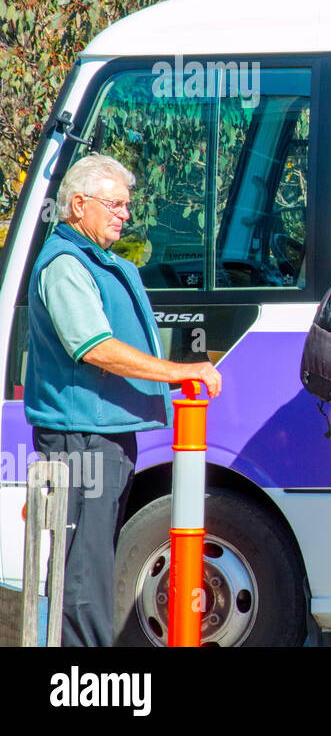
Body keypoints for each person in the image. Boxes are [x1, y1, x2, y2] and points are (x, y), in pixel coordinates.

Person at [25, 153, 222, 647]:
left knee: (94, 562)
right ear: (77, 205)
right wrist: (179, 373)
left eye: (126, 205)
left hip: (104, 436)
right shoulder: (66, 263)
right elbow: (96, 348)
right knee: (84, 572)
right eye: (114, 204)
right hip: (81, 438)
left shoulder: (98, 259)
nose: (125, 214)